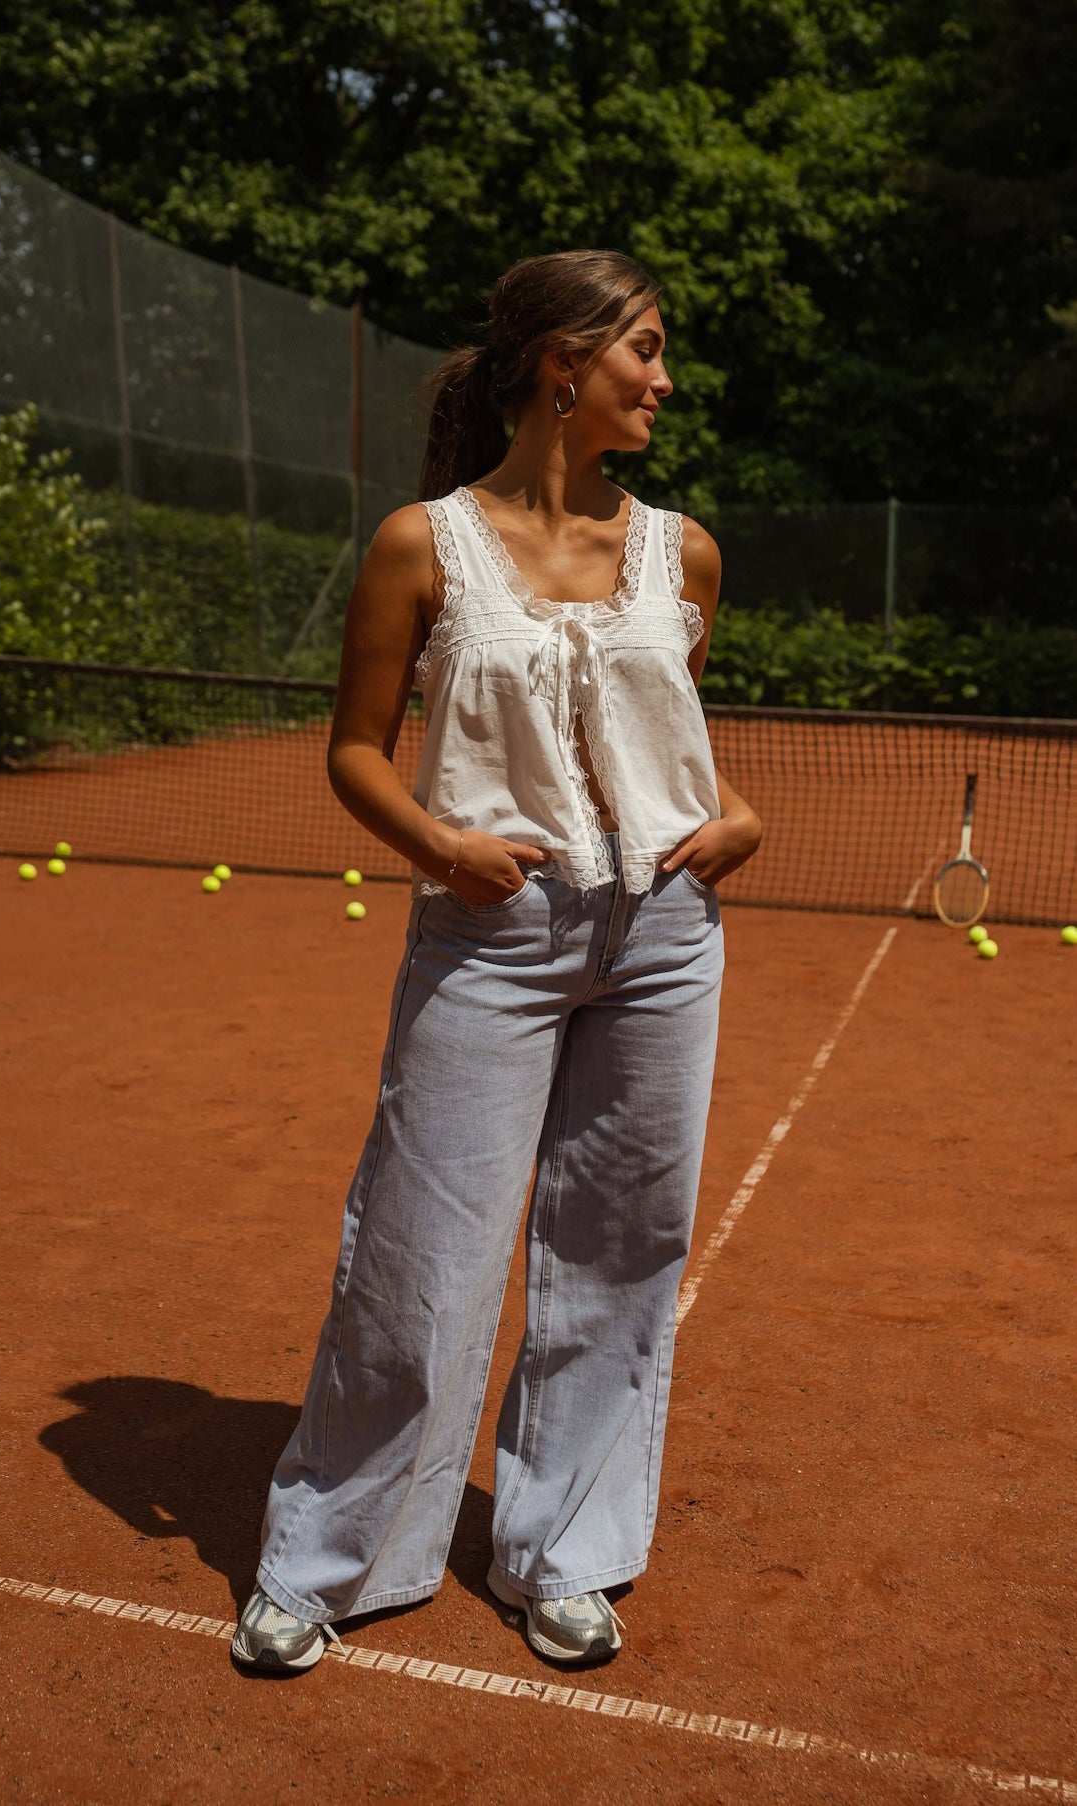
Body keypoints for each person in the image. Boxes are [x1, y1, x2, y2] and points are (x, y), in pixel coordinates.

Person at [232, 249, 763, 1677]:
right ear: (563, 366)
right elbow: (353, 751)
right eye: (644, 350)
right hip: (489, 931)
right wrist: (444, 850)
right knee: (421, 1251)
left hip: (662, 936)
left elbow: (667, 746)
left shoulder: (685, 549)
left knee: (622, 1250)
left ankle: (566, 1549)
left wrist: (733, 817)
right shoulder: (424, 543)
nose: (663, 378)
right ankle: (329, 1556)